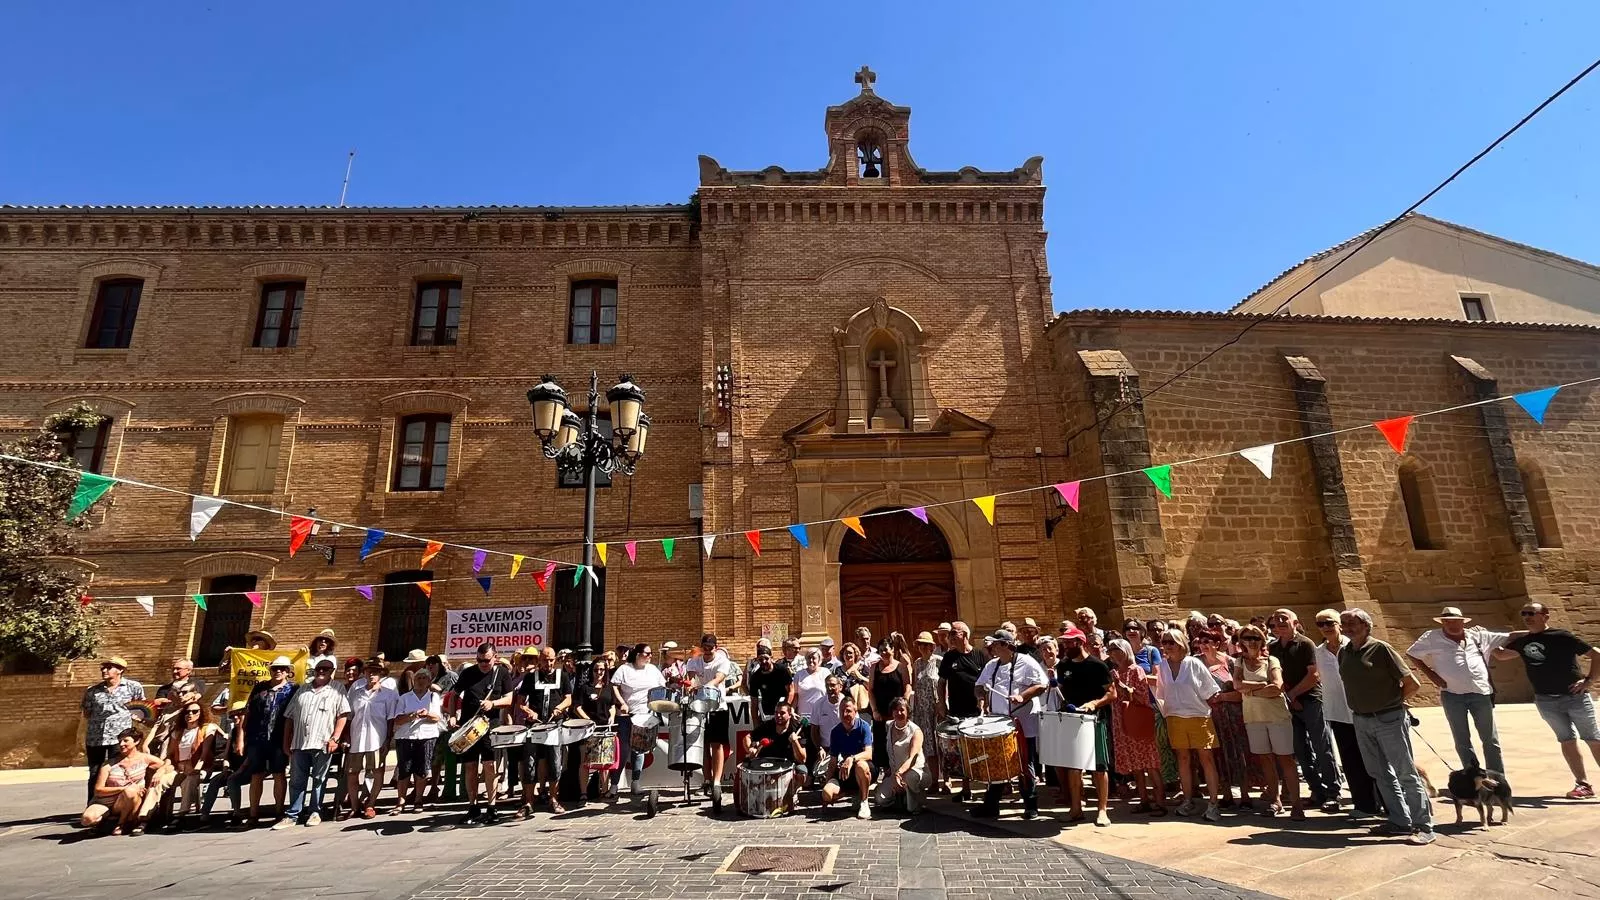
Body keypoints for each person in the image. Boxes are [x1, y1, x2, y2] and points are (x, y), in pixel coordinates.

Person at [1338, 608, 1434, 844]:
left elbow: (1411, 683)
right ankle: (1400, 820)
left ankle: (1424, 825)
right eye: (1344, 623)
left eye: (1352, 622)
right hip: (1361, 719)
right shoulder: (1345, 652)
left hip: (1388, 718)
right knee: (1379, 773)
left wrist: (1393, 703)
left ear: (1366, 625)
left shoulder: (1381, 649)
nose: (1347, 627)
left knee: (1405, 773)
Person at [1495, 602, 1600, 799]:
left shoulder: (1562, 637)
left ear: (1545, 616)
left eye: (1531, 613)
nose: (1527, 617)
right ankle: (1583, 784)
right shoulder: (1523, 641)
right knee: (1567, 740)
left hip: (1575, 697)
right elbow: (1501, 655)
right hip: (1546, 700)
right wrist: (1486, 640)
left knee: (1593, 739)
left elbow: (1596, 654)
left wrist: (1589, 680)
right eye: (1523, 613)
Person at [1402, 606, 1508, 776]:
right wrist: (1432, 675)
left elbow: (1510, 638)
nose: (1450, 624)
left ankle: (1496, 776)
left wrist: (1540, 632)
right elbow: (1412, 653)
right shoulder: (1432, 637)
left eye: (1454, 621)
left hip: (1480, 692)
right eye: (1446, 621)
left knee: (1490, 738)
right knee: (1462, 739)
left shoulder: (1477, 636)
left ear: (1462, 622)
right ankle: (1472, 774)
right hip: (1452, 694)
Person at [201, 655, 294, 827]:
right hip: (256, 738)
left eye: (282, 668)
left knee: (279, 774)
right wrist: (240, 739)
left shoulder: (293, 689)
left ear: (289, 671)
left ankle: (279, 811)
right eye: (275, 668)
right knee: (256, 775)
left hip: (279, 739)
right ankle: (253, 814)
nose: (278, 671)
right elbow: (247, 714)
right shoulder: (260, 688)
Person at [1268, 609, 1341, 812]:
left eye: (1284, 619)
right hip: (1288, 705)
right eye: (1276, 619)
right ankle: (1316, 790)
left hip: (1311, 701)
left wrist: (1293, 695)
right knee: (1300, 750)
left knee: (1321, 746)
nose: (1280, 622)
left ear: (1295, 622)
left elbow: (1313, 675)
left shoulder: (1305, 644)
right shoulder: (1272, 647)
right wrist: (1288, 698)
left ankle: (1332, 792)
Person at [1312, 609, 1380, 819]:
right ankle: (1364, 805)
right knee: (1351, 761)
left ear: (1339, 624)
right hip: (1338, 713)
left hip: (1362, 710)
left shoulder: (1353, 647)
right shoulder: (1318, 652)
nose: (1325, 627)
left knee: (1375, 759)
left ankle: (1388, 803)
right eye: (1320, 624)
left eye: (1329, 623)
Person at [975, 629, 1049, 819]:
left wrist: (1022, 696)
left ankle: (1031, 805)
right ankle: (991, 805)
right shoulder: (992, 665)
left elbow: (1042, 684)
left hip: (1024, 722)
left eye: (996, 644)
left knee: (1026, 763)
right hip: (999, 723)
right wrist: (981, 699)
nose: (991, 648)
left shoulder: (1026, 662)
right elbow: (979, 686)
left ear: (1006, 646)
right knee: (997, 763)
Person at [1154, 629, 1222, 822]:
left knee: (1206, 759)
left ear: (1181, 643)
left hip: (1198, 716)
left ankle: (1213, 803)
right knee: (1182, 759)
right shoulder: (1162, 666)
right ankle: (1188, 800)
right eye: (1165, 642)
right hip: (1174, 717)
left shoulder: (1194, 664)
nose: (1167, 645)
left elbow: (1211, 690)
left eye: (1171, 642)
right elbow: (1161, 692)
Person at [273, 658, 349, 829]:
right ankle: (293, 814)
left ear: (332, 671)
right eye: (319, 668)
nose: (322, 671)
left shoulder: (338, 689)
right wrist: (286, 742)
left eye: (326, 669)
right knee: (297, 780)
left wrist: (335, 738)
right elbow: (289, 718)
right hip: (300, 742)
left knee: (319, 779)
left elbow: (342, 715)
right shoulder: (302, 689)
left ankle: (315, 812)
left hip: (322, 742)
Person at [1234, 625, 1301, 819]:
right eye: (1247, 637)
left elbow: (1277, 687)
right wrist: (1263, 686)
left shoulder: (1271, 660)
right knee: (1265, 759)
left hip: (1276, 716)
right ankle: (1275, 800)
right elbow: (1237, 685)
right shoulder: (1239, 662)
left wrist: (1251, 691)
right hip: (1254, 716)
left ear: (1262, 640)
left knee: (1285, 758)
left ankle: (1296, 804)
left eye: (1256, 637)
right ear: (1241, 641)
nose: (1252, 641)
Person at [447, 642, 515, 825]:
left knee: (489, 766)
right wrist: (453, 716)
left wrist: (493, 704)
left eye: (486, 660)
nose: (482, 664)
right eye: (479, 660)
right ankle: (473, 806)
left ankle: (492, 807)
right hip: (469, 725)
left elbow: (509, 699)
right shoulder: (468, 673)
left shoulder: (502, 673)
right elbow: (453, 695)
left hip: (489, 725)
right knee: (469, 767)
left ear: (495, 657)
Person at [1056, 625, 1114, 825]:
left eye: (1069, 642)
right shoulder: (1063, 665)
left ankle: (1102, 810)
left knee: (1099, 766)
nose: (1065, 645)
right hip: (1072, 721)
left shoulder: (1098, 665)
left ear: (1080, 643)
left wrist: (1093, 703)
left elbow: (1112, 693)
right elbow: (1062, 688)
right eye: (1063, 642)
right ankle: (1076, 808)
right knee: (1074, 767)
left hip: (1095, 720)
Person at [1107, 639, 1163, 815]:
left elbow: (1141, 696)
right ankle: (1143, 800)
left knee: (1150, 764)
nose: (1112, 653)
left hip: (1137, 720)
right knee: (1136, 765)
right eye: (1110, 650)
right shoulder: (1116, 671)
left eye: (1116, 649)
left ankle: (1160, 802)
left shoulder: (1136, 670)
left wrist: (1121, 684)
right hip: (1121, 721)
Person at [81, 656, 145, 806]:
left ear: (120, 670)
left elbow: (141, 707)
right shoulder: (92, 691)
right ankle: (93, 804)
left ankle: (118, 805)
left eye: (109, 667)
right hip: (96, 738)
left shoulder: (132, 687)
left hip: (120, 739)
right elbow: (87, 712)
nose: (104, 670)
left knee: (119, 772)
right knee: (95, 773)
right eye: (103, 668)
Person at [515, 646, 571, 816]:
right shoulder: (531, 677)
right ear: (540, 660)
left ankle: (553, 799)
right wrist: (528, 712)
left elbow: (568, 699)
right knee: (530, 762)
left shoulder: (563, 676)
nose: (549, 663)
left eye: (551, 660)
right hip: (535, 725)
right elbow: (520, 701)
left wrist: (559, 708)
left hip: (554, 724)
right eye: (546, 660)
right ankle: (528, 802)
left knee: (555, 762)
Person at [341, 657, 398, 820]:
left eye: (376, 672)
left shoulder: (388, 694)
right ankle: (354, 806)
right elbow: (349, 715)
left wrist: (387, 740)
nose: (372, 674)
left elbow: (390, 719)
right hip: (356, 738)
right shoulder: (356, 691)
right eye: (369, 671)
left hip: (377, 738)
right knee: (352, 773)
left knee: (377, 772)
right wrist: (346, 736)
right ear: (364, 673)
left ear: (381, 674)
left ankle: (371, 804)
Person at [82, 728, 168, 835]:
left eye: (126, 741)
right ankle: (105, 822)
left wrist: (160, 771)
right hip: (107, 801)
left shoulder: (144, 758)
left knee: (131, 791)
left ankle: (122, 824)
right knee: (87, 819)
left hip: (129, 799)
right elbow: (98, 790)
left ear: (136, 741)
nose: (121, 744)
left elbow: (167, 764)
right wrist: (122, 788)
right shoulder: (109, 764)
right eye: (120, 741)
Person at [1199, 629, 1250, 808]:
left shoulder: (1231, 662)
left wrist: (1222, 698)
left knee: (1239, 752)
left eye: (1207, 641)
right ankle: (1226, 794)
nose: (1203, 645)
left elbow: (1242, 691)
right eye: (1201, 641)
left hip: (1234, 714)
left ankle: (1245, 795)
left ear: (1217, 643)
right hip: (1210, 716)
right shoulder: (1197, 663)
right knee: (1218, 755)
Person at [937, 621, 987, 799]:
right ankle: (966, 789)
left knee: (979, 749)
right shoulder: (949, 657)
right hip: (957, 711)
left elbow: (986, 682)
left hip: (976, 710)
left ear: (965, 635)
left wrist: (983, 701)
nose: (949, 636)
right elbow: (941, 682)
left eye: (953, 633)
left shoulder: (980, 655)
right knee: (961, 751)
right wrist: (942, 703)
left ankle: (986, 786)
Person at [612, 643, 665, 798]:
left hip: (644, 714)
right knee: (622, 750)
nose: (650, 656)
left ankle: (636, 782)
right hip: (627, 715)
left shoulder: (653, 670)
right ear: (637, 654)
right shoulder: (624, 669)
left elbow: (662, 687)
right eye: (647, 653)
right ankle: (614, 785)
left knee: (639, 749)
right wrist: (622, 702)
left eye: (651, 653)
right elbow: (614, 686)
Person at [687, 632, 736, 795]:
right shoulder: (694, 662)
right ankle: (706, 780)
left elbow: (719, 678)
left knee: (717, 744)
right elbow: (692, 678)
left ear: (716, 648)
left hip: (718, 707)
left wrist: (705, 687)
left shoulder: (723, 661)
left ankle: (717, 781)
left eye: (710, 648)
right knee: (703, 746)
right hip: (699, 707)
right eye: (705, 647)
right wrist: (691, 684)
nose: (707, 651)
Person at [391, 665, 443, 813]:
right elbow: (397, 719)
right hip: (406, 736)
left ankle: (418, 799)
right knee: (404, 769)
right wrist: (411, 716)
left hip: (426, 735)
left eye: (424, 678)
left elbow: (437, 718)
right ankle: (401, 801)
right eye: (418, 678)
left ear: (429, 681)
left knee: (422, 769)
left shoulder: (433, 697)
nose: (420, 681)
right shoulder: (404, 698)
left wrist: (426, 714)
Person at [158, 699, 216, 829]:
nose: (190, 714)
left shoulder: (206, 729)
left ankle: (181, 815)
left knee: (189, 780)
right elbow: (170, 754)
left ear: (201, 713)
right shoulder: (177, 732)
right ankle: (146, 815)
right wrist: (163, 769)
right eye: (187, 712)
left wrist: (196, 768)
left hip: (200, 767)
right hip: (179, 767)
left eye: (195, 711)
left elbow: (204, 754)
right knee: (159, 780)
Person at [743, 700, 806, 811]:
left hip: (787, 767)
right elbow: (747, 738)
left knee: (802, 772)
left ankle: (792, 792)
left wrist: (795, 742)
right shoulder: (767, 725)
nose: (778, 716)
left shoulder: (797, 729)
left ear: (790, 714)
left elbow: (803, 759)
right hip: (766, 765)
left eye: (782, 713)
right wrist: (750, 749)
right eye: (776, 713)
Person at [821, 696, 875, 819]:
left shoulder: (863, 727)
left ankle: (864, 802)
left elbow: (868, 753)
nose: (845, 714)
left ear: (855, 711)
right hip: (846, 771)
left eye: (848, 711)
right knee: (826, 794)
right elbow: (833, 761)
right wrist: (828, 781)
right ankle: (853, 793)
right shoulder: (836, 731)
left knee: (861, 766)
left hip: (864, 767)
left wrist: (851, 758)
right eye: (842, 711)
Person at [573, 654, 618, 800]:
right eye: (596, 670)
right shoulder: (585, 688)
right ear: (592, 671)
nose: (599, 673)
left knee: (604, 761)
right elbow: (577, 707)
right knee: (585, 761)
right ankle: (583, 793)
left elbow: (611, 705)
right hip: (587, 729)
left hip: (604, 727)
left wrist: (611, 716)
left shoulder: (609, 687)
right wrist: (587, 720)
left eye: (602, 670)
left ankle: (604, 790)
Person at [872, 698, 926, 813]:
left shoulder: (916, 731)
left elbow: (912, 759)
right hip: (895, 773)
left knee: (910, 780)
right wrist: (889, 770)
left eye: (902, 710)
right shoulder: (888, 726)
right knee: (880, 799)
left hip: (915, 771)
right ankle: (900, 797)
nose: (899, 713)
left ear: (908, 712)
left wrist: (899, 774)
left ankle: (917, 799)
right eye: (895, 710)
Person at [868, 637, 911, 770]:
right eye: (880, 650)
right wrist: (874, 710)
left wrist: (904, 703)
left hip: (897, 714)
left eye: (886, 649)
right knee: (882, 746)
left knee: (899, 745)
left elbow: (907, 686)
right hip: (880, 715)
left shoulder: (901, 666)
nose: (883, 653)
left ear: (892, 649)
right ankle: (887, 775)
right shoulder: (874, 667)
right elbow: (870, 690)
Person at [909, 632, 943, 787]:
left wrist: (942, 704)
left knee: (940, 745)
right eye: (920, 644)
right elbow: (915, 686)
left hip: (936, 709)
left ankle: (946, 780)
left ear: (931, 646)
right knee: (928, 746)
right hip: (922, 710)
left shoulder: (939, 662)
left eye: (925, 644)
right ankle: (934, 780)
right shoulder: (917, 663)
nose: (922, 647)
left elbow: (944, 685)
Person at [747, 640, 792, 721]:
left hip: (784, 711)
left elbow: (791, 691)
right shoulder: (755, 677)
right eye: (760, 659)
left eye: (766, 658)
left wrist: (786, 708)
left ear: (771, 658)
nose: (764, 662)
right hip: (767, 712)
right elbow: (754, 703)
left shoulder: (782, 670)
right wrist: (756, 725)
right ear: (757, 660)